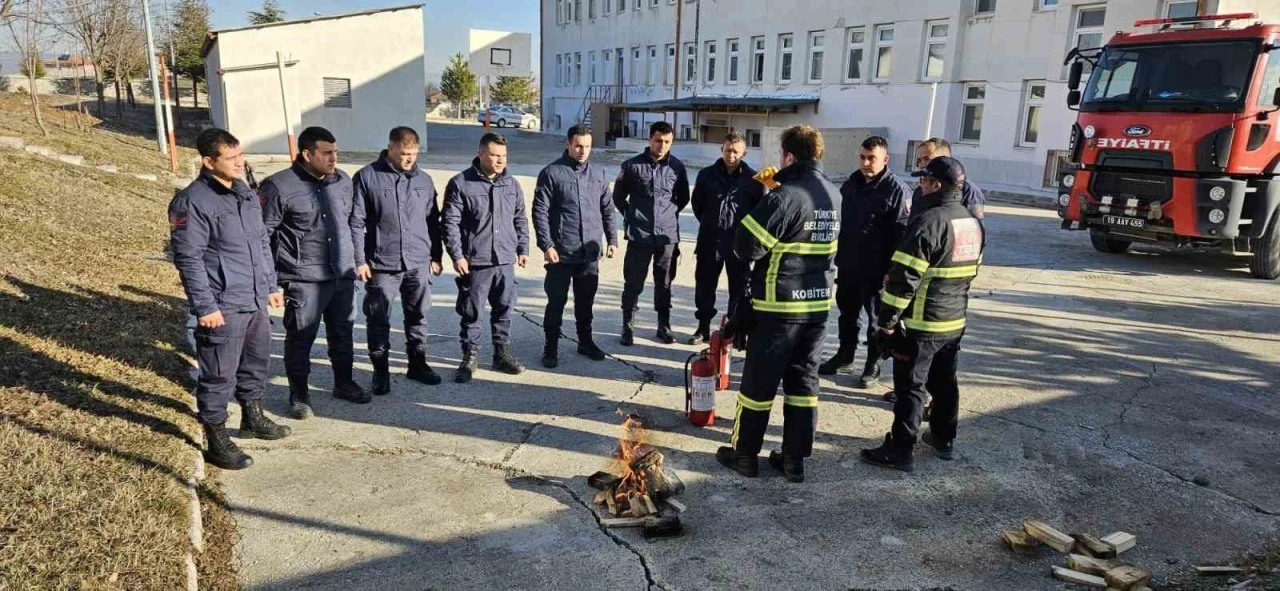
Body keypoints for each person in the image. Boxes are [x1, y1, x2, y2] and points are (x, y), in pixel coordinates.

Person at [715, 125, 841, 484]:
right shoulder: (834, 194)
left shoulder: (785, 195)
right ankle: (793, 460)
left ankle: (744, 455)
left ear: (788, 156)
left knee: (758, 384)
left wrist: (766, 197)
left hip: (777, 307)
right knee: (803, 384)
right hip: (817, 308)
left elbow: (747, 247)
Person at [169, 128, 290, 470]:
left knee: (256, 363)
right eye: (231, 158)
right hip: (222, 303)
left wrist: (270, 285)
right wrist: (205, 307)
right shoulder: (192, 202)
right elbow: (189, 259)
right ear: (209, 162)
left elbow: (260, 243)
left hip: (253, 298)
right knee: (219, 373)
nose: (240, 163)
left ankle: (252, 417)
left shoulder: (245, 193)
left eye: (241, 155)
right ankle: (216, 436)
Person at [861, 157, 986, 472]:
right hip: (954, 320)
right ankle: (943, 438)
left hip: (921, 323)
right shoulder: (972, 222)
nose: (920, 186)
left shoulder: (929, 221)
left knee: (911, 388)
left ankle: (900, 450)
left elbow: (903, 280)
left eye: (924, 181)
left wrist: (887, 323)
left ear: (937, 185)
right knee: (945, 383)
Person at [262, 126, 367, 420]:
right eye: (327, 153)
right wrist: (270, 283)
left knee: (343, 334)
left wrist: (357, 261)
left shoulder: (343, 182)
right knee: (300, 338)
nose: (335, 158)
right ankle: (300, 395)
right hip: (303, 278)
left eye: (336, 151)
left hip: (342, 275)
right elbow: (263, 237)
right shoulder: (278, 186)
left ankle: (344, 384)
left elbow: (351, 225)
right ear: (307, 154)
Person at [350, 126, 445, 395]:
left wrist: (436, 255)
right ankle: (380, 372)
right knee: (378, 318)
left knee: (418, 316)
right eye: (404, 153)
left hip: (417, 261)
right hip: (382, 264)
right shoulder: (367, 178)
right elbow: (356, 222)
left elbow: (432, 221)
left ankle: (418, 364)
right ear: (390, 148)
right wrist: (360, 259)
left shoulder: (424, 180)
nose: (409, 159)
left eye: (413, 154)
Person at [819, 136, 910, 388]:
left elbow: (902, 237)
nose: (866, 162)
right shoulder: (851, 184)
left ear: (885, 159)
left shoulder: (897, 190)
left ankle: (873, 364)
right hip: (849, 264)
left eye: (872, 158)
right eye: (863, 157)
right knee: (847, 315)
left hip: (877, 270)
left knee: (875, 322)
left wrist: (892, 271)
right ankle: (845, 355)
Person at [443, 132, 530, 383]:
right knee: (472, 312)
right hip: (476, 261)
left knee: (504, 309)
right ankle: (470, 357)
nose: (500, 160)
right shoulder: (461, 183)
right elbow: (450, 223)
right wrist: (457, 255)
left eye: (503, 156)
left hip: (504, 260)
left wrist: (522, 249)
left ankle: (501, 354)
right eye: (494, 155)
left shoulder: (511, 184)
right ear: (481, 154)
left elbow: (519, 219)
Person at [532, 125, 617, 368]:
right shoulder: (551, 173)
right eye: (578, 145)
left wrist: (612, 239)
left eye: (587, 146)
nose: (582, 151)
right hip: (561, 253)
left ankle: (585, 341)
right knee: (556, 302)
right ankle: (550, 346)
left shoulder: (599, 174)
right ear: (568, 144)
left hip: (589, 253)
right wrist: (546, 244)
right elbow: (540, 211)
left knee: (585, 302)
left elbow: (607, 209)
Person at [613, 121, 690, 346]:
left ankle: (663, 326)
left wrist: (667, 215)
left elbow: (682, 198)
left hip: (667, 237)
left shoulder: (677, 167)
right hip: (640, 235)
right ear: (649, 140)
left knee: (664, 283)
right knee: (633, 282)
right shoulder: (632, 166)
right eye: (658, 141)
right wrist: (632, 215)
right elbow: (618, 197)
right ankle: (627, 326)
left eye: (667, 142)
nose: (662, 145)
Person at [688, 132, 760, 344]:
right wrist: (711, 223)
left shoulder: (753, 180)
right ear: (722, 149)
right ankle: (703, 328)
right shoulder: (706, 175)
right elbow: (697, 205)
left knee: (738, 291)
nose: (731, 155)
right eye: (728, 150)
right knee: (704, 287)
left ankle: (734, 332)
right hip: (710, 242)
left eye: (736, 152)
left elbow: (758, 211)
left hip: (739, 246)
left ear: (744, 153)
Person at [912, 138, 985, 219]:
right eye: (919, 160)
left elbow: (974, 227)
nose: (921, 165)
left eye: (927, 159)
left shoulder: (969, 191)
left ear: (945, 158)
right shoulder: (920, 189)